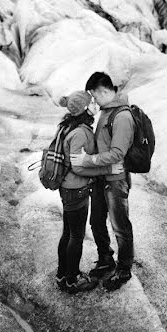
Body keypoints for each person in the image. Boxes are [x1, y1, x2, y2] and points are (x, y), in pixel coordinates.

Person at [70, 72, 134, 291]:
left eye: (94, 96)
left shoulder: (122, 116)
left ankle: (124, 270)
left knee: (120, 226)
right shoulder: (107, 112)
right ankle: (106, 259)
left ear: (103, 91)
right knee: (96, 221)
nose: (94, 101)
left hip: (116, 181)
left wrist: (89, 160)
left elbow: (117, 153)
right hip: (102, 178)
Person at [54, 90, 121, 294]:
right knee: (76, 235)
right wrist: (107, 169)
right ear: (84, 109)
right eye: (91, 102)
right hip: (76, 189)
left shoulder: (68, 126)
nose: (94, 104)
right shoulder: (81, 133)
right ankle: (72, 280)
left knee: (68, 232)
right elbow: (77, 166)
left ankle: (62, 274)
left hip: (68, 188)